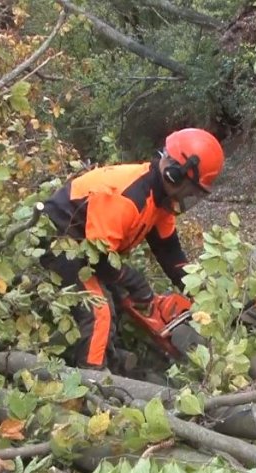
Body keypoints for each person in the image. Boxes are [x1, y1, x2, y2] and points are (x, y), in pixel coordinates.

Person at [38, 128, 225, 370]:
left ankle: (117, 364)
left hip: (91, 247)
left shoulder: (160, 201)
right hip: (60, 241)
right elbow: (98, 257)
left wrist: (200, 292)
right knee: (99, 312)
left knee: (120, 299)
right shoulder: (128, 197)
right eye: (189, 191)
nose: (189, 197)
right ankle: (92, 380)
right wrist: (135, 283)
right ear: (174, 175)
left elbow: (170, 253)